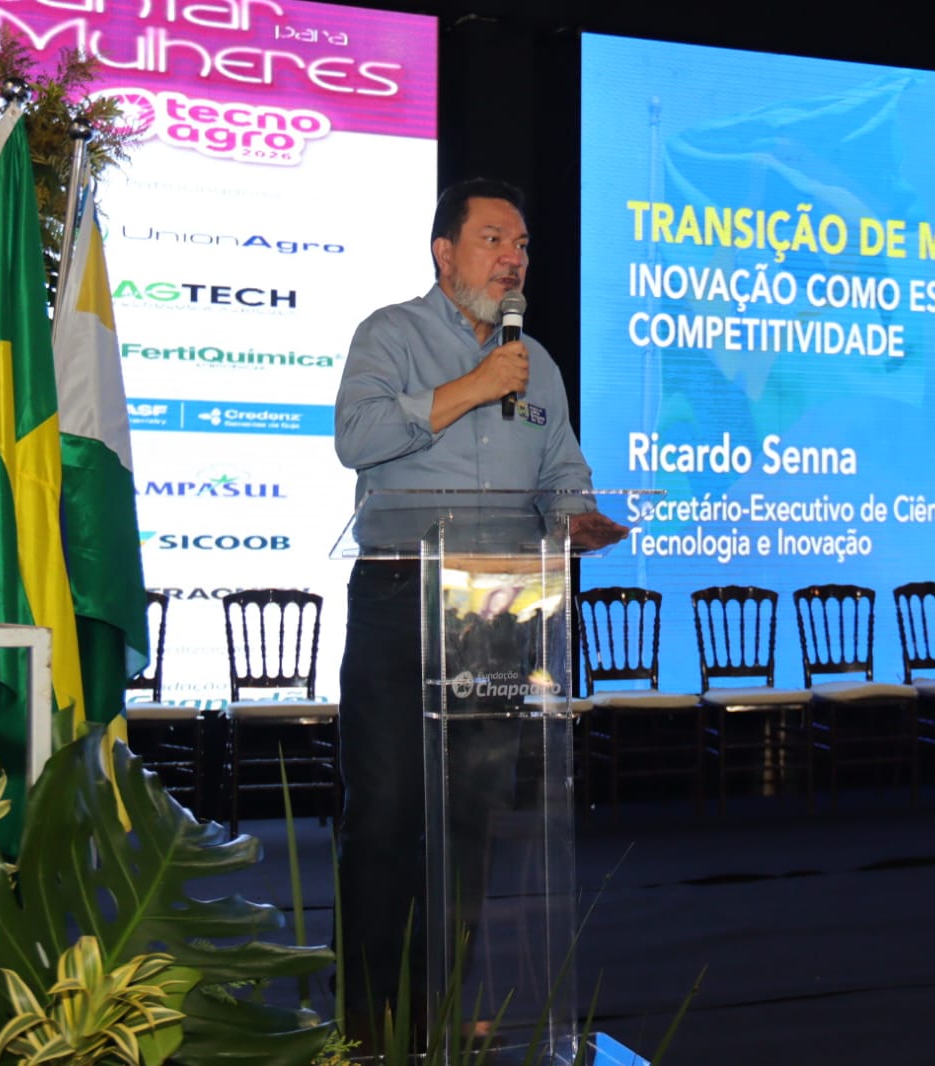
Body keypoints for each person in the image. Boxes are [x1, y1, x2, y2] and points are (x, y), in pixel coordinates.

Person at [332, 177, 625, 1049]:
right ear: (444, 252)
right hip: (400, 597)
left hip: (499, 608)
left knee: (471, 814)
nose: (513, 259)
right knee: (387, 810)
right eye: (494, 240)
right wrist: (473, 384)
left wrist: (574, 517)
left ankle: (444, 1004)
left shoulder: (539, 364)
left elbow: (560, 471)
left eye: (522, 244)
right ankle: (371, 1018)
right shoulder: (390, 334)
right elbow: (356, 438)